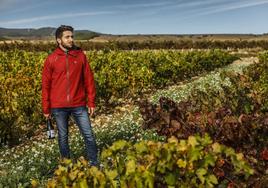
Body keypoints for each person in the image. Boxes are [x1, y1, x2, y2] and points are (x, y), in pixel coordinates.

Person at [41, 25, 98, 166]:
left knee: (89, 135)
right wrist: (46, 109)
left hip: (79, 104)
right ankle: (67, 167)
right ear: (58, 40)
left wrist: (91, 102)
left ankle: (94, 164)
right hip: (58, 107)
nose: (71, 39)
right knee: (63, 137)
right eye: (67, 37)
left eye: (72, 36)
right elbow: (45, 86)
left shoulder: (80, 56)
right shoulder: (51, 59)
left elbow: (89, 80)